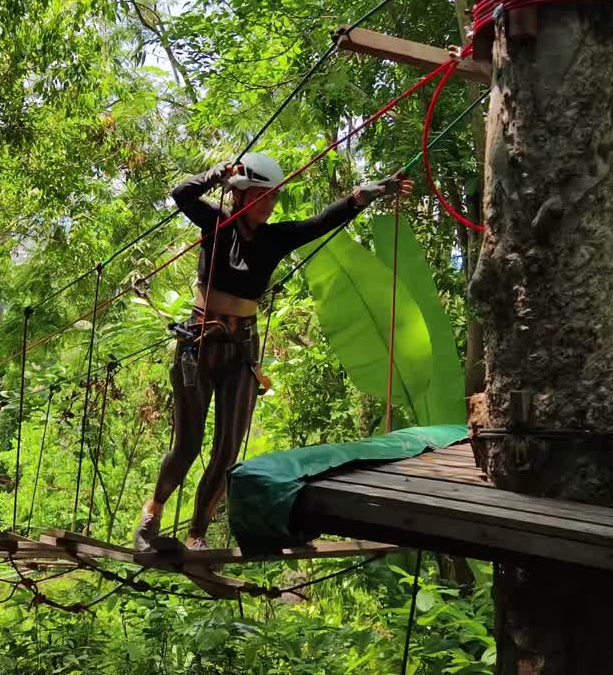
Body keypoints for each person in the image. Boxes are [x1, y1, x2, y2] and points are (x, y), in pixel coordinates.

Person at [134, 153, 409, 550]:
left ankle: (196, 537)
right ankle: (152, 514)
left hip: (241, 348)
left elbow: (320, 223)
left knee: (227, 449)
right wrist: (217, 174)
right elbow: (181, 194)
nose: (271, 204)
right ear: (242, 196)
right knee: (188, 444)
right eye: (264, 196)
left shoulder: (274, 239)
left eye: (274, 198)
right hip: (200, 342)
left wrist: (364, 196)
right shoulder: (216, 224)